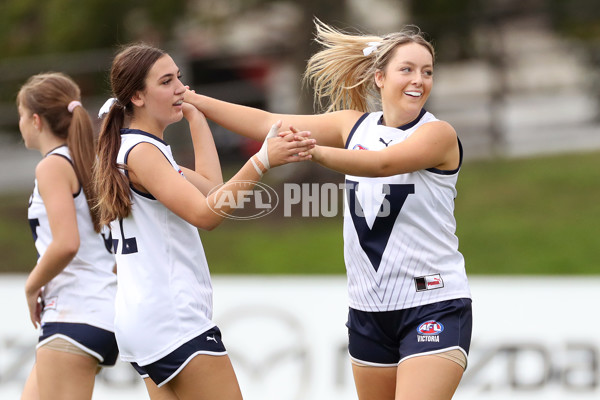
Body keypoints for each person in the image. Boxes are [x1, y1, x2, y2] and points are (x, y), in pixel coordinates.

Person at [183, 19, 472, 400]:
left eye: (427, 71)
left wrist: (310, 150)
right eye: (407, 69)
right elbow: (269, 123)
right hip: (368, 310)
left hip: (433, 304)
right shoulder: (353, 126)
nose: (419, 80)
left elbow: (383, 163)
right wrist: (195, 100)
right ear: (379, 78)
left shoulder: (438, 134)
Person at [92, 42, 314, 400]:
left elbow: (211, 190)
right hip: (172, 319)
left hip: (146, 320)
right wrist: (263, 160)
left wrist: (196, 117)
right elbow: (206, 215)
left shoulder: (136, 147)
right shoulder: (144, 153)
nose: (180, 87)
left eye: (179, 77)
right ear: (137, 96)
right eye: (166, 82)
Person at [17, 72, 118, 400]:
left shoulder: (52, 166)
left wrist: (32, 287)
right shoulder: (89, 161)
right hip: (99, 313)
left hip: (74, 314)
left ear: (35, 120)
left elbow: (67, 243)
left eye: (20, 115)